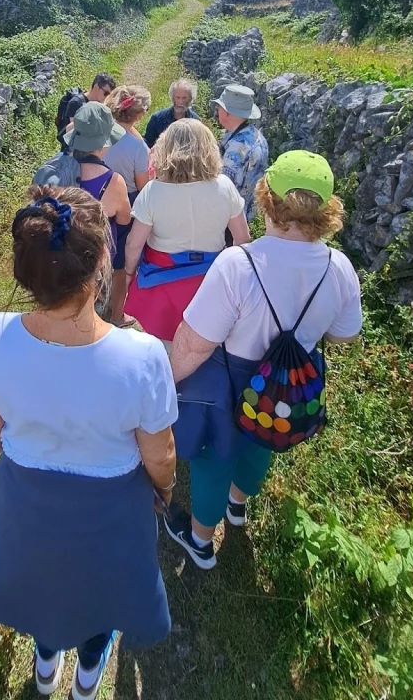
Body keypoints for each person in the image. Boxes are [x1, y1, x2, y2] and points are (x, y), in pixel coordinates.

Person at [0, 186, 177, 700]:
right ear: (102, 260)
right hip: (110, 507)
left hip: (25, 497)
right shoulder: (143, 356)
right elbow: (161, 454)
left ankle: (43, 660)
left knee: (42, 583)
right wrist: (163, 493)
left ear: (26, 270)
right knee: (98, 596)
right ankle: (87, 674)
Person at [163, 151, 362, 570]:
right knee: (264, 439)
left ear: (266, 198)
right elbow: (345, 336)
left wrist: (166, 383)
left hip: (228, 383)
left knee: (214, 457)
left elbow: (195, 344)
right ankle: (239, 505)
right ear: (325, 208)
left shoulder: (239, 264)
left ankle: (200, 542)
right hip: (287, 383)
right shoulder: (338, 267)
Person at [123, 120, 251, 350]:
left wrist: (129, 274)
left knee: (164, 349)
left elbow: (134, 244)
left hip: (162, 286)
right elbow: (242, 240)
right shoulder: (225, 186)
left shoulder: (153, 191)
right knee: (205, 348)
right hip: (211, 284)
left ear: (165, 149)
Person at [103, 85, 152, 327]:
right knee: (120, 263)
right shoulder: (137, 148)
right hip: (127, 201)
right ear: (139, 115)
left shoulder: (100, 133)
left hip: (98, 195)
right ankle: (117, 315)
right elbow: (144, 186)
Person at [63, 102, 132, 257]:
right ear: (102, 145)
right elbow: (124, 221)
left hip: (59, 255)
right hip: (94, 261)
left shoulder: (59, 169)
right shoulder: (113, 182)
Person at [215, 84, 269, 222]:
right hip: (248, 214)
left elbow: (224, 190)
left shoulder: (236, 147)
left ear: (227, 112)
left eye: (219, 107)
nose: (217, 110)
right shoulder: (257, 136)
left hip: (231, 220)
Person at [56, 73, 116, 150]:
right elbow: (74, 132)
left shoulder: (100, 105)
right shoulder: (76, 103)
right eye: (106, 93)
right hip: (72, 151)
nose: (107, 97)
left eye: (109, 95)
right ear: (96, 87)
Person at [143, 79, 200, 148]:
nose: (180, 102)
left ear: (190, 99)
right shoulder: (157, 119)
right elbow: (148, 144)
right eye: (178, 97)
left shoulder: (196, 121)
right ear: (172, 97)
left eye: (184, 98)